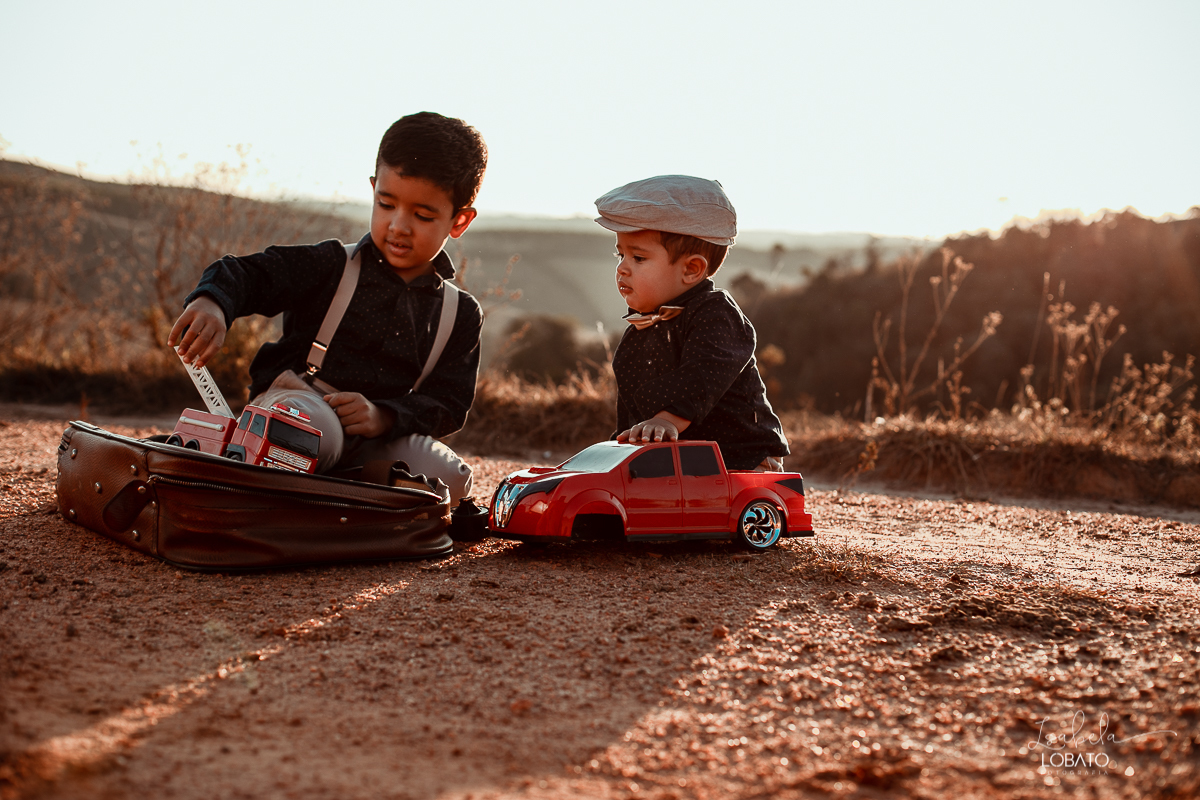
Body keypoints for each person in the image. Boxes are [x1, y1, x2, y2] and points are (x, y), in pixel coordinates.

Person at [167, 112, 487, 502]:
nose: (399, 226)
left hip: (379, 437)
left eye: (422, 216)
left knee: (450, 478)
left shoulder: (460, 314)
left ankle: (332, 492)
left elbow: (449, 403)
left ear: (459, 221)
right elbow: (251, 274)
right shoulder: (332, 265)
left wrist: (384, 415)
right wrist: (212, 302)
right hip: (301, 409)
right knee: (305, 434)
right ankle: (283, 476)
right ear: (374, 189)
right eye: (386, 204)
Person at [594, 175, 789, 472]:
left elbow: (704, 372)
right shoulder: (642, 329)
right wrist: (628, 444)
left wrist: (667, 419)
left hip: (739, 457)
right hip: (683, 461)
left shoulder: (716, 315)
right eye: (620, 255)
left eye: (638, 258)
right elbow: (634, 403)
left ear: (691, 269)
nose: (622, 268)